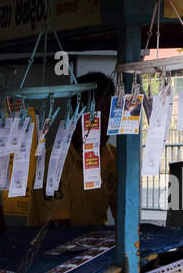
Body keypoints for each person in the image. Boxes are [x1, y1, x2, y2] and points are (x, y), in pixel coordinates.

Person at [27, 72, 118, 226]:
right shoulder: (53, 162)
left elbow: (124, 218)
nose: (104, 123)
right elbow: (59, 231)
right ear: (76, 115)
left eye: (108, 115)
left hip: (96, 244)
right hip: (52, 245)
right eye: (95, 116)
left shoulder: (115, 158)